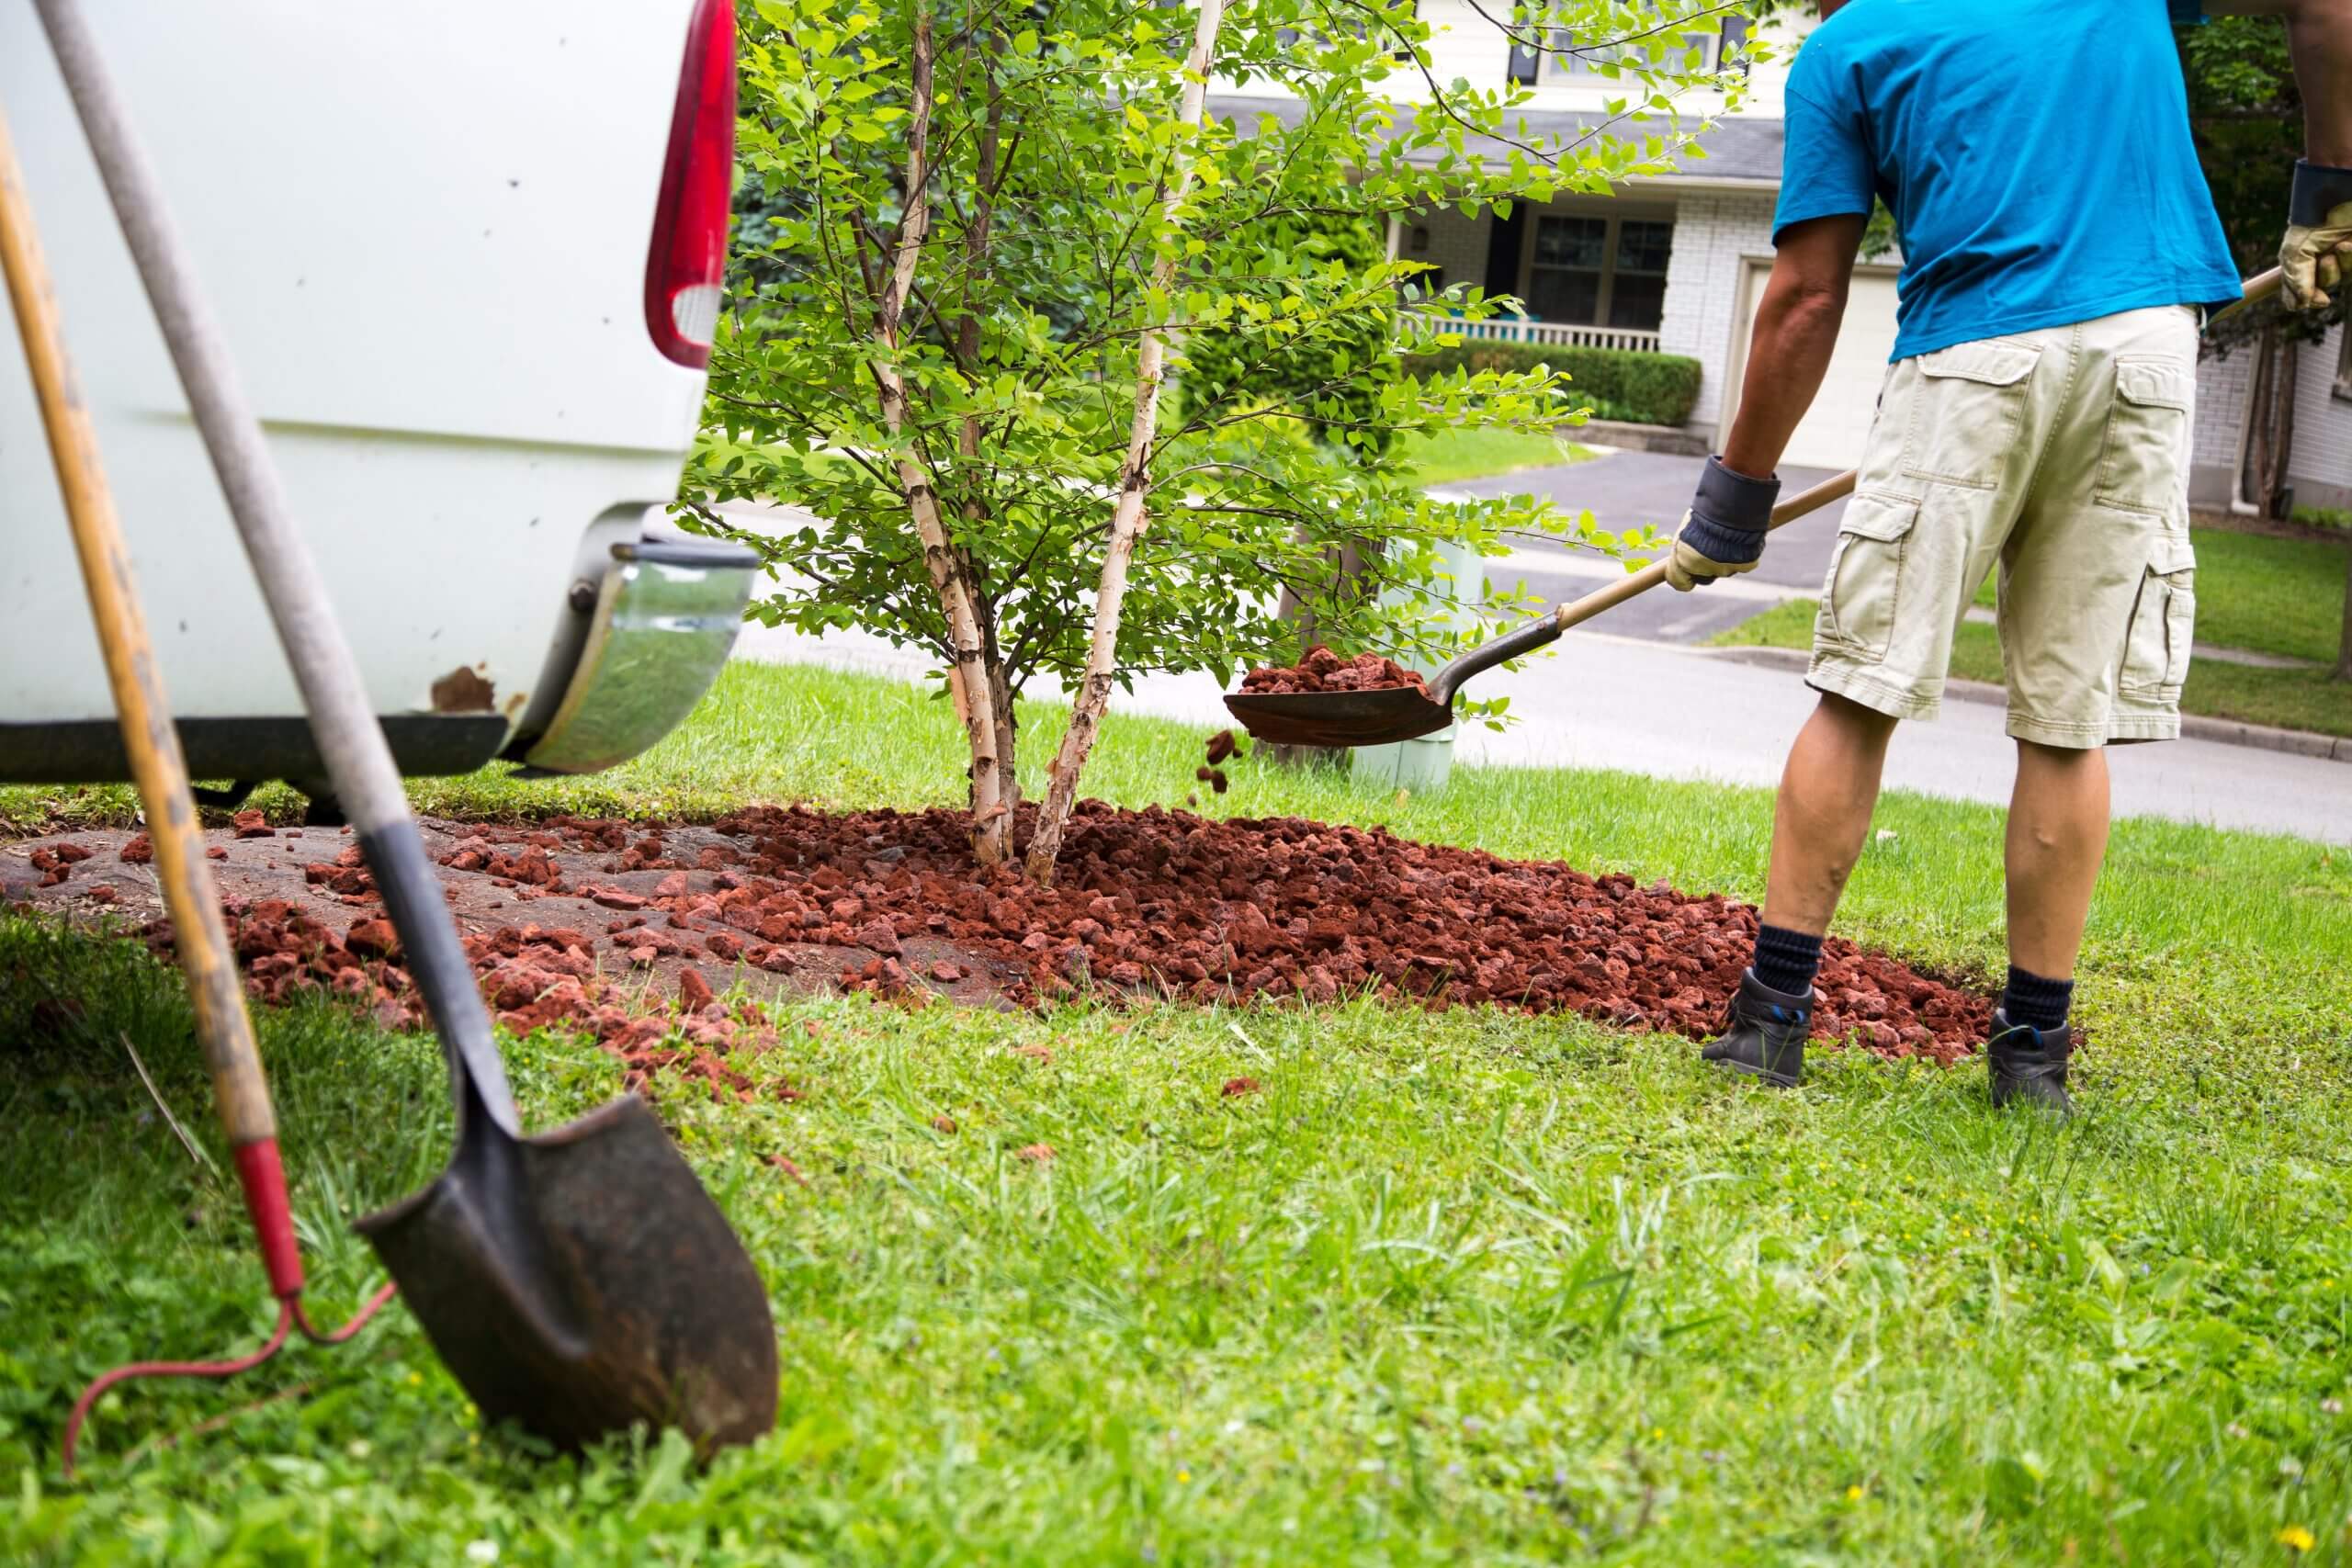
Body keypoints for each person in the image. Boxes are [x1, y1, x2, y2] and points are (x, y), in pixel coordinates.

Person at [1673, 0, 2352, 1110]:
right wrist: (2331, 188)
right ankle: (2032, 1059)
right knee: (2068, 719)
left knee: (1860, 692)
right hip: (2146, 351)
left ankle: (1768, 1025)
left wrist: (1732, 499)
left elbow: (1801, 298)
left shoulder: (1846, 49)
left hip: (1968, 357)